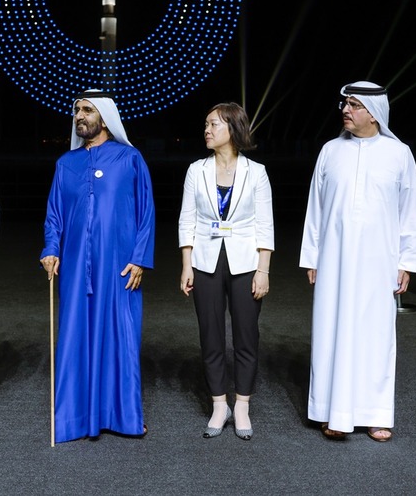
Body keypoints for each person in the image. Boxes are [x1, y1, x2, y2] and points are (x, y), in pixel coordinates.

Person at [299, 81, 416, 443]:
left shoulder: (398, 154)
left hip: (379, 262)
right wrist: (312, 256)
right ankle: (332, 412)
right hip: (333, 260)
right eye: (345, 104)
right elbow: (315, 208)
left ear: (374, 113)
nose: (346, 110)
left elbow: (410, 212)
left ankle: (375, 414)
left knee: (375, 335)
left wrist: (406, 262)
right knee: (331, 330)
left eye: (354, 105)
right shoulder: (330, 151)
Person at [40, 89, 156, 443]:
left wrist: (139, 258)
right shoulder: (66, 163)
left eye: (87, 110)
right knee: (75, 336)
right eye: (77, 109)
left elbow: (146, 213)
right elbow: (54, 215)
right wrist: (50, 249)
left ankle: (124, 417)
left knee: (121, 336)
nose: (80, 116)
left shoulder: (129, 158)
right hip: (75, 269)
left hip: (119, 267)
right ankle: (74, 419)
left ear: (104, 118)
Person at [179, 102, 274, 441]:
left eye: (213, 124)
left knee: (247, 335)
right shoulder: (196, 170)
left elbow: (265, 224)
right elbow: (187, 220)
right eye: (205, 124)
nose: (206, 130)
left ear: (232, 129)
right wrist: (186, 264)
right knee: (211, 334)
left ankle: (242, 404)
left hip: (246, 262)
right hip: (205, 261)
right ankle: (219, 404)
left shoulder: (256, 172)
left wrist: (263, 270)